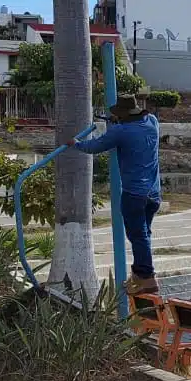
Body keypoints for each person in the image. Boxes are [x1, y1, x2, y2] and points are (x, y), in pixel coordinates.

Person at [75, 97, 162, 293]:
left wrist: (75, 143)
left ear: (122, 116)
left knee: (137, 235)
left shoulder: (120, 132)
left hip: (134, 194)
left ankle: (147, 277)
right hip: (154, 193)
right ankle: (139, 274)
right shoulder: (153, 122)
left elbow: (94, 147)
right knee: (144, 235)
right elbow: (136, 132)